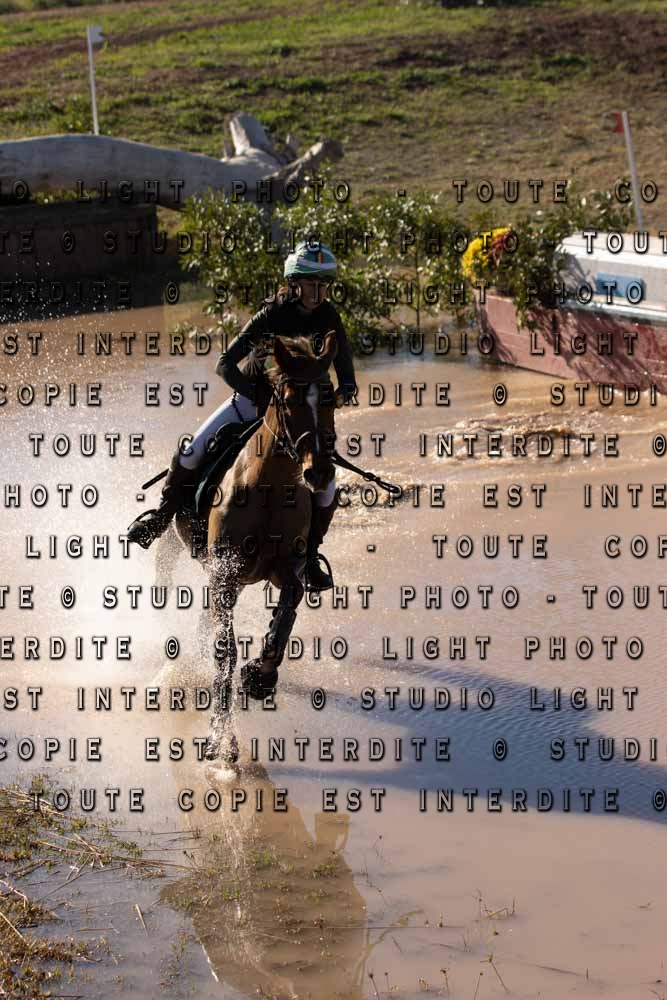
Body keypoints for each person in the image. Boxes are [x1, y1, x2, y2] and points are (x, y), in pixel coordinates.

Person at [127, 241, 357, 592]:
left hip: (298, 416)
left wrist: (337, 398)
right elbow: (224, 365)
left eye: (324, 285)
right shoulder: (272, 314)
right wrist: (260, 396)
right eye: (312, 284)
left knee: (327, 488)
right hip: (250, 403)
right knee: (190, 452)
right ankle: (160, 518)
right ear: (294, 284)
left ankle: (309, 557)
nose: (318, 292)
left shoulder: (330, 317)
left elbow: (347, 377)